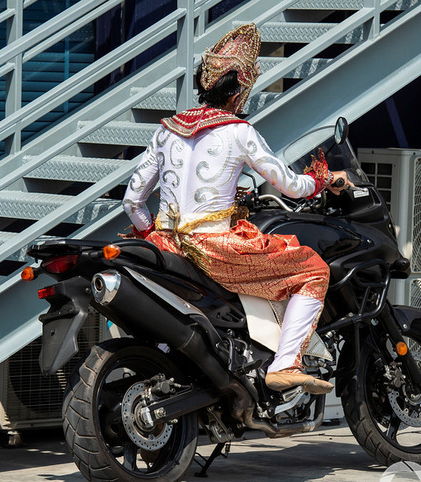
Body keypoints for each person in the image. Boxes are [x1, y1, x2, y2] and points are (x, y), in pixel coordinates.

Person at [122, 23, 351, 394]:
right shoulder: (238, 130)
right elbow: (291, 187)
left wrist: (154, 235)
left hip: (164, 247)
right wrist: (323, 180)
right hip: (215, 249)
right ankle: (285, 364)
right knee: (312, 270)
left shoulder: (165, 130)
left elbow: (132, 202)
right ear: (238, 91)